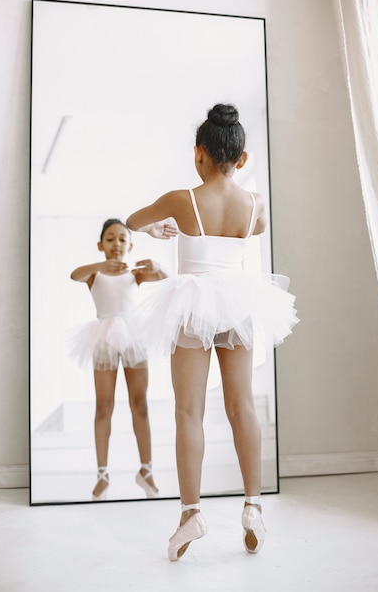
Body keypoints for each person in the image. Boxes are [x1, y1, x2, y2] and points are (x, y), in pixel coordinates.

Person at [126, 104, 298, 560]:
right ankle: (253, 507)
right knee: (242, 406)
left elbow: (132, 221)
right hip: (239, 302)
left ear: (198, 154)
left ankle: (191, 514)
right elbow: (250, 231)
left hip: (192, 305)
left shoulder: (182, 200)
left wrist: (164, 227)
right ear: (241, 159)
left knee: (189, 412)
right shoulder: (255, 207)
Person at [69, 218, 169, 500]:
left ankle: (146, 470)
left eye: (123, 239)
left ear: (131, 245)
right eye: (110, 239)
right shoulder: (94, 274)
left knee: (141, 403)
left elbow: (166, 279)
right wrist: (99, 267)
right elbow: (74, 275)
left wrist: (158, 266)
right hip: (103, 336)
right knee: (104, 405)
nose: (117, 244)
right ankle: (102, 473)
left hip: (133, 336)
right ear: (100, 245)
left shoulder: (134, 274)